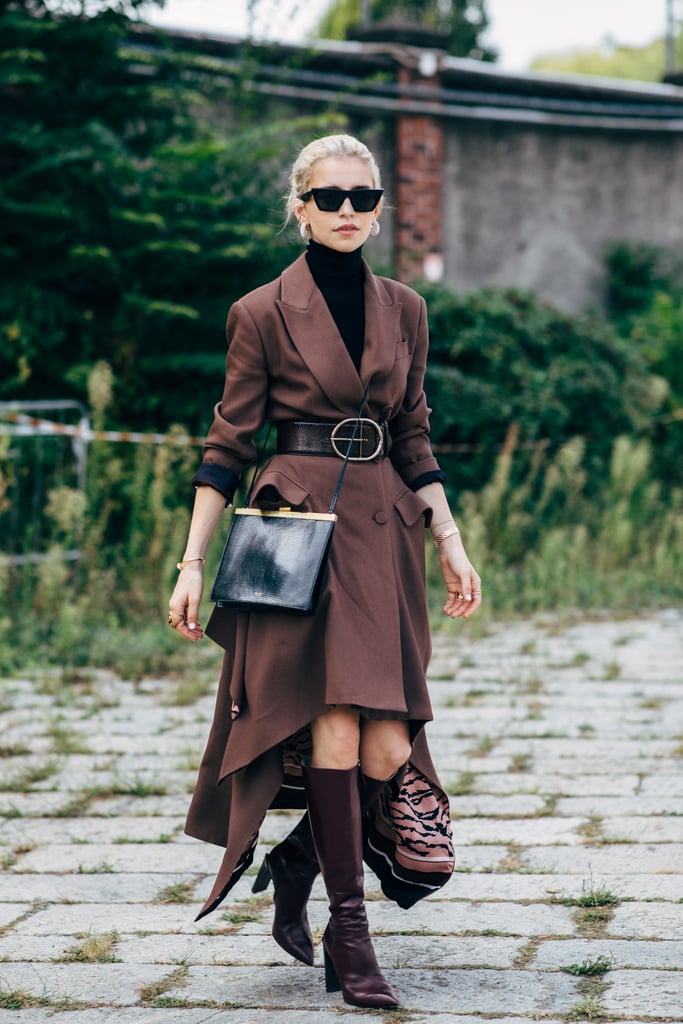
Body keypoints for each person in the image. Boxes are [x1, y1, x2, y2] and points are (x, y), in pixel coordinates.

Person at [168, 132, 481, 1010]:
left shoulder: (406, 308)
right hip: (296, 526)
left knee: (390, 739)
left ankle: (302, 858)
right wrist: (192, 562)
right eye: (330, 197)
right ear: (300, 208)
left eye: (363, 198)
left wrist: (450, 537)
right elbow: (226, 445)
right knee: (335, 722)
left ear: (379, 208)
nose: (349, 212)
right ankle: (352, 933)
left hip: (386, 529)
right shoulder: (261, 311)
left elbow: (415, 432)